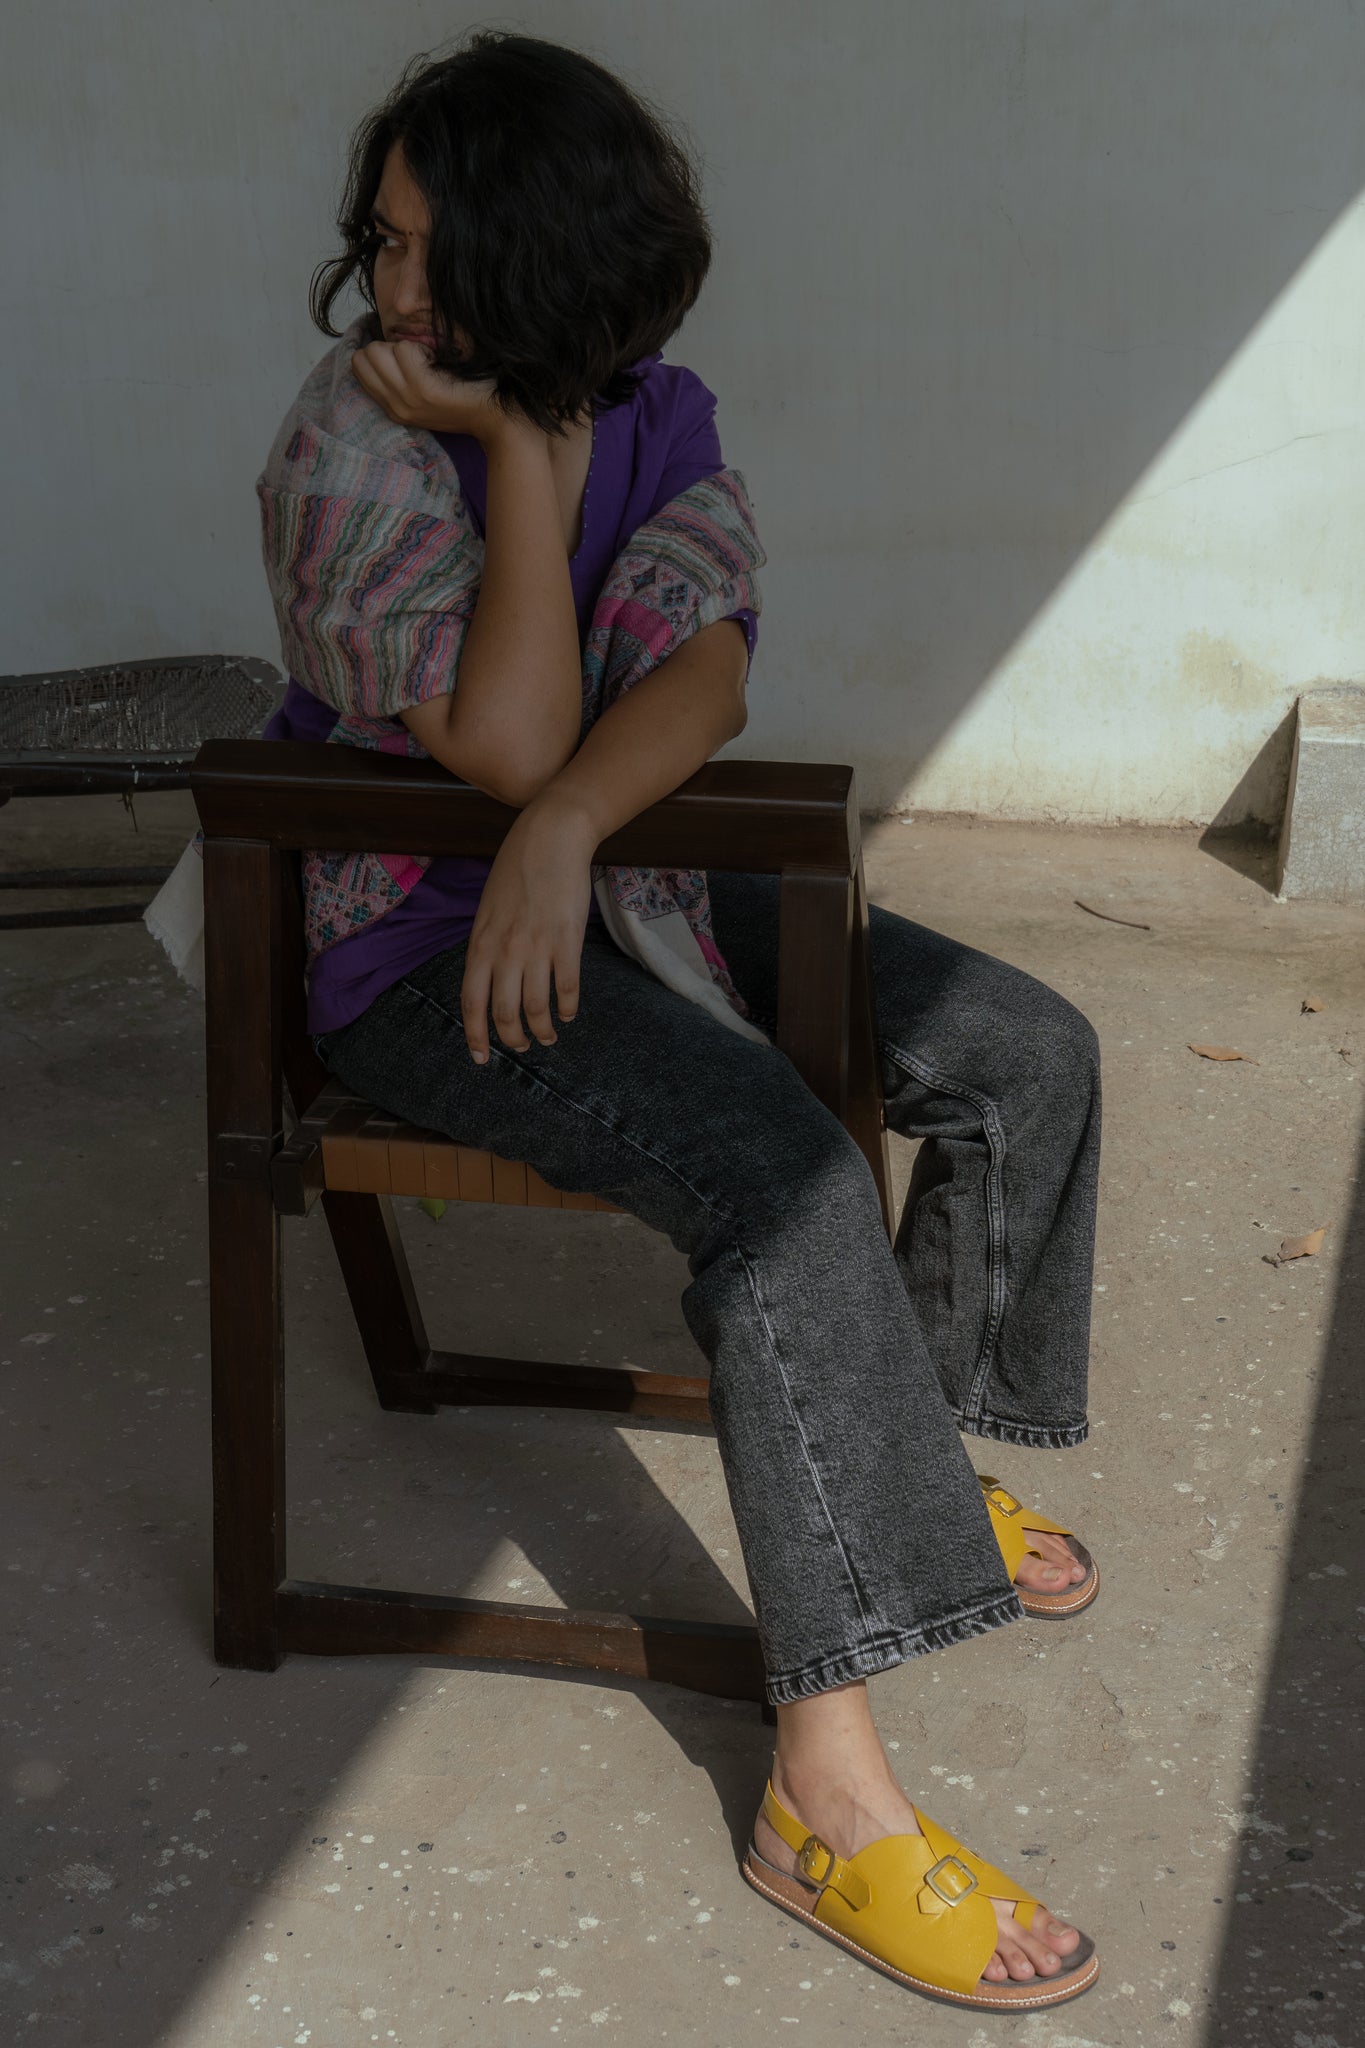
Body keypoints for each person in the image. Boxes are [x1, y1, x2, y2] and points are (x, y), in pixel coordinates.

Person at [262, 30, 1104, 2011]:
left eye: (425, 242)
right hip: (416, 950)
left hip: (607, 880)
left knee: (1020, 1051)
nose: (387, 285)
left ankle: (896, 1457)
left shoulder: (663, 408)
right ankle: (825, 1797)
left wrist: (565, 834)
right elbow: (504, 736)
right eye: (378, 240)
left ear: (546, 252)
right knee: (785, 1187)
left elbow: (703, 677)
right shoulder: (349, 445)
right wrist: (520, 464)